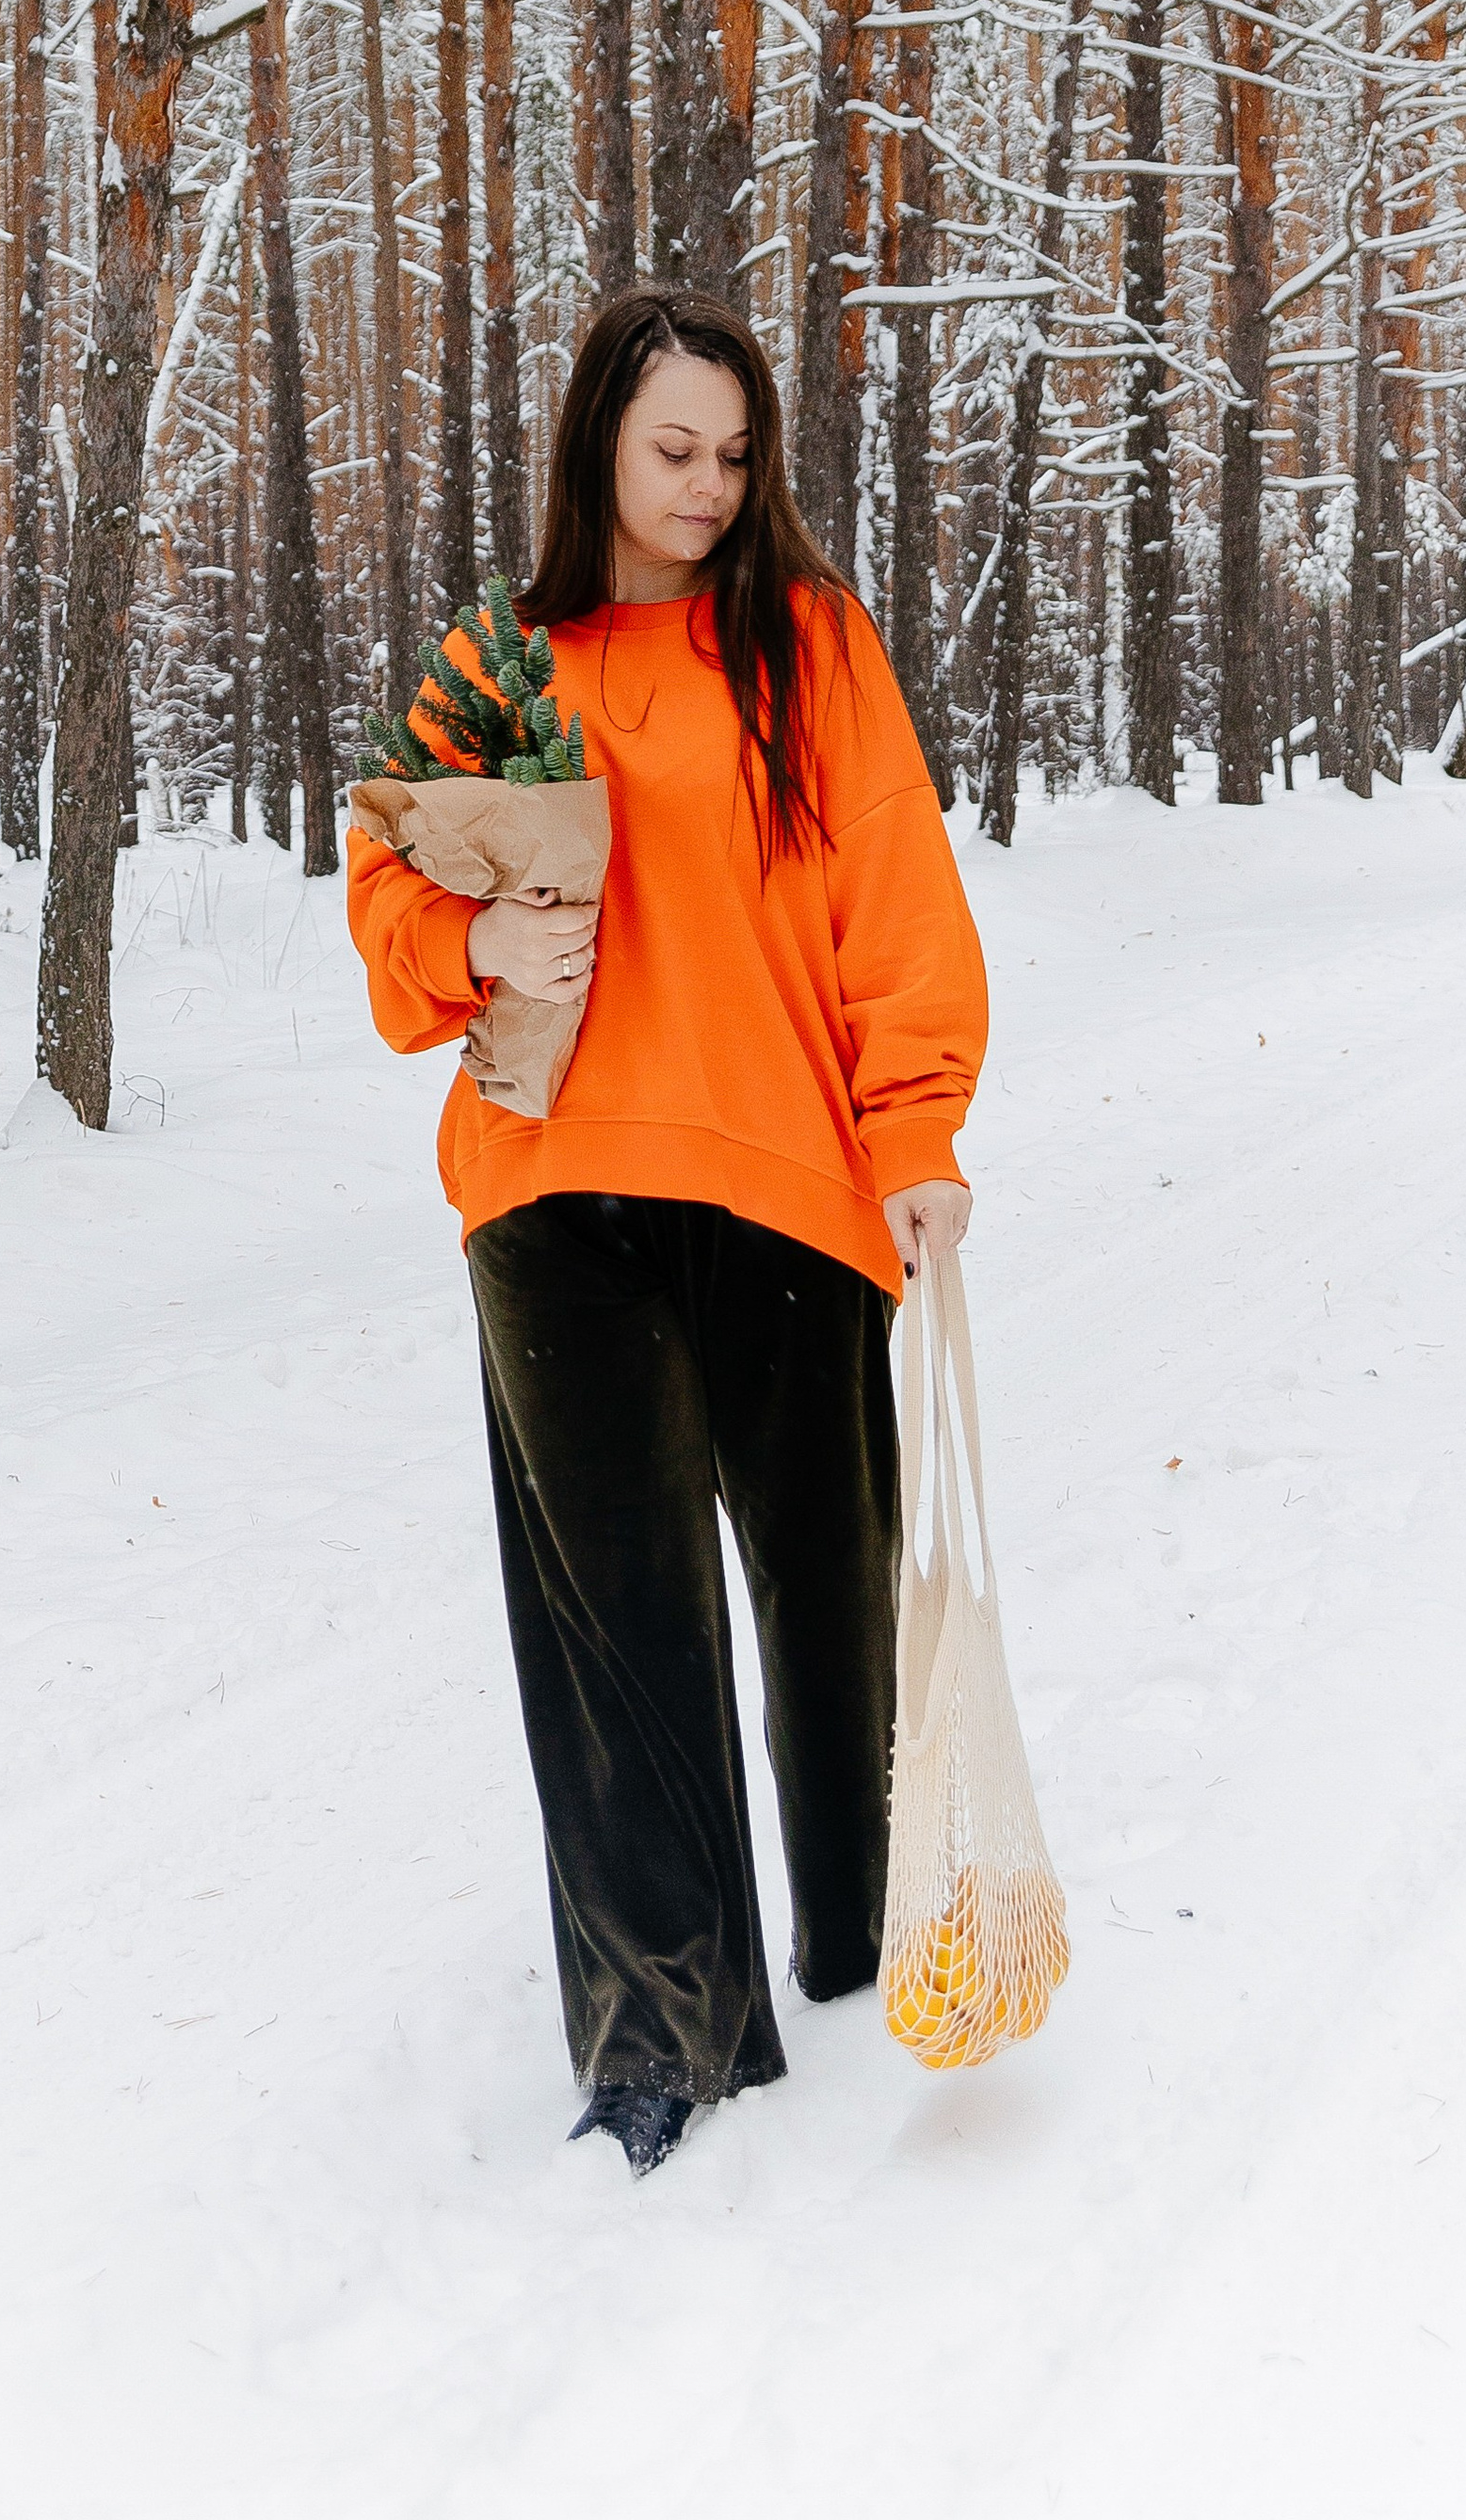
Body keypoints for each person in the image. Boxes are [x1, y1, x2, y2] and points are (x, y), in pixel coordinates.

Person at [346, 286, 988, 2175]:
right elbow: (386, 895)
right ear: (596, 449)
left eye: (732, 455)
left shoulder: (807, 644)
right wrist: (471, 943)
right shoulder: (500, 662)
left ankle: (858, 1934)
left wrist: (914, 1126)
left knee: (825, 1584)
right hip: (550, 1189)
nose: (705, 488)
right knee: (612, 1627)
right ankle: (657, 2037)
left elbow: (893, 888)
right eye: (669, 451)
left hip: (785, 1179)